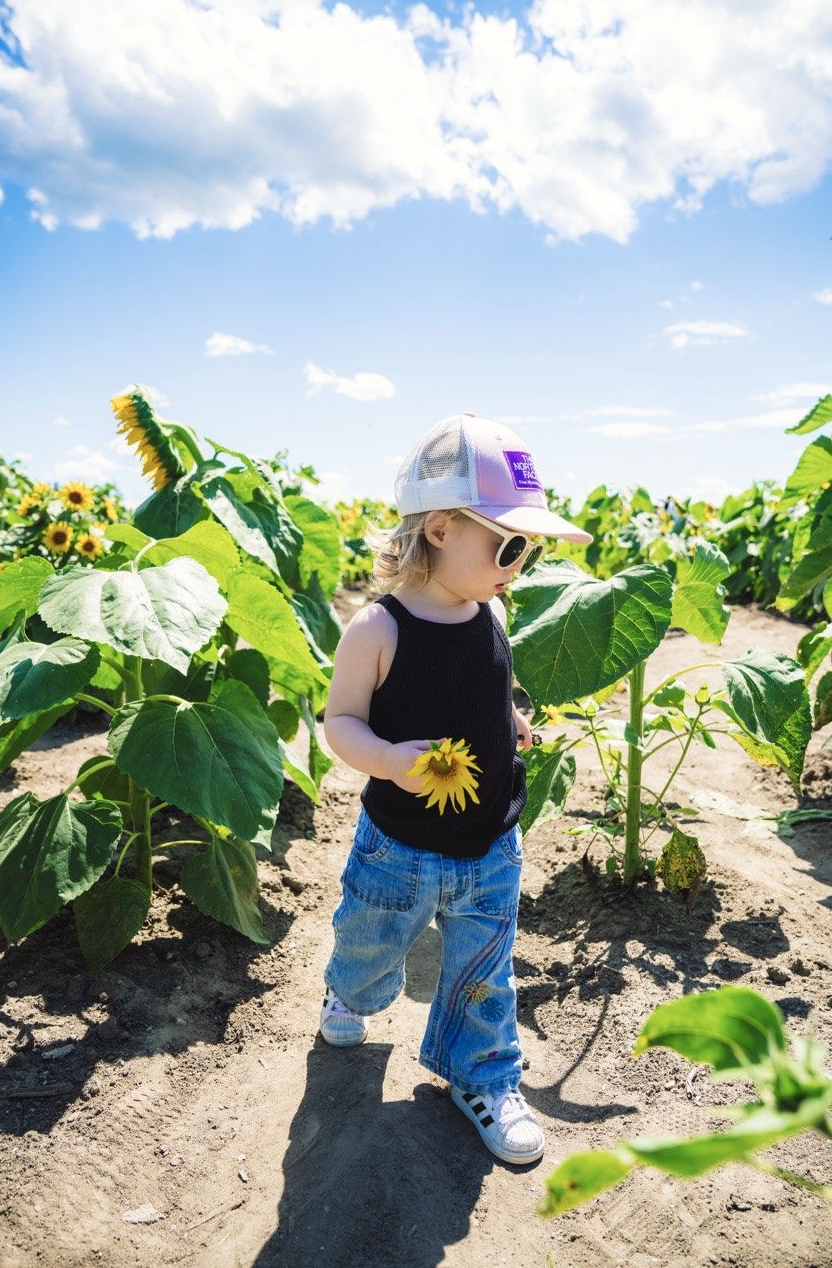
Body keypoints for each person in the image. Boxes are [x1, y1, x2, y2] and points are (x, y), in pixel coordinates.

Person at [319, 412, 591, 1165]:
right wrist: (385, 756)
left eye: (527, 549)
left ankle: (483, 1077)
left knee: (483, 972)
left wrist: (511, 720)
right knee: (368, 941)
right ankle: (350, 992)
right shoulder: (377, 628)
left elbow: (487, 684)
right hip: (396, 844)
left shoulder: (492, 611)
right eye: (508, 545)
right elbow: (338, 722)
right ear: (438, 528)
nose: (520, 563)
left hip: (491, 844)